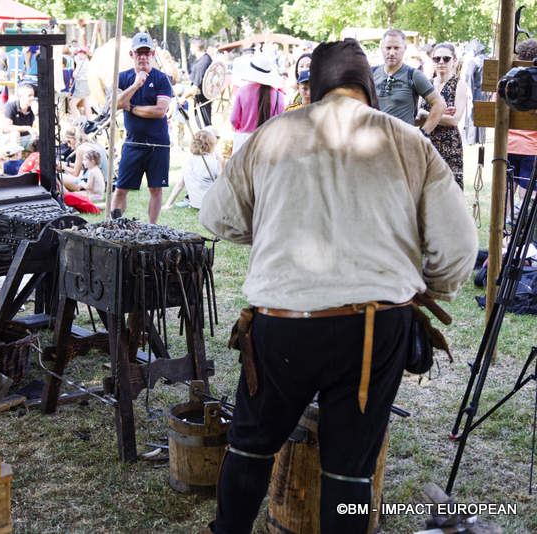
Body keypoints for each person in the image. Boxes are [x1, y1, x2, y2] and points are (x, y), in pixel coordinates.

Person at [199, 38, 477, 534]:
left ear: (313, 88)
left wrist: (269, 232)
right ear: (368, 88)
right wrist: (417, 285)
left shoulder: (271, 134)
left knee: (251, 445)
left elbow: (217, 216)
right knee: (350, 469)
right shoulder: (408, 140)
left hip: (282, 323)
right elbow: (457, 252)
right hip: (373, 328)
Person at [113, 32, 173, 224]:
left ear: (153, 54)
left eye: (146, 53)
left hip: (159, 144)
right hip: (133, 143)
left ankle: (152, 227)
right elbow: (115, 104)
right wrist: (135, 85)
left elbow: (160, 111)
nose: (143, 57)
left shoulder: (162, 79)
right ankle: (114, 225)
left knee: (155, 188)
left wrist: (130, 107)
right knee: (121, 188)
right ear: (132, 55)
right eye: (139, 53)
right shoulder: (123, 78)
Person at [374, 29, 445, 134]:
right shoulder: (371, 73)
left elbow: (439, 104)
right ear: (381, 48)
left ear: (404, 48)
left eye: (396, 48)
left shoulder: (413, 75)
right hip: (375, 144)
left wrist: (423, 134)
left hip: (402, 145)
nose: (392, 52)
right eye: (388, 48)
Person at [417, 43, 467, 189]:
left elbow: (454, 120)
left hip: (449, 145)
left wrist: (428, 113)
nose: (441, 62)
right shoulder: (427, 84)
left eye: (446, 58)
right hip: (427, 142)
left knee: (450, 190)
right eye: (437, 59)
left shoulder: (459, 85)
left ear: (455, 61)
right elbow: (417, 117)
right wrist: (440, 114)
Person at [230, 54, 285, 154]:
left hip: (243, 140)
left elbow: (233, 120)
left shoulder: (241, 92)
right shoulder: (279, 96)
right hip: (268, 142)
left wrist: (241, 127)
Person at [507, 39, 537, 204]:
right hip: (531, 148)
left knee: (507, 191)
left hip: (508, 145)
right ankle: (523, 226)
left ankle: (506, 226)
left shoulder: (510, 81)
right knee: (528, 194)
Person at [163, 127, 221, 210]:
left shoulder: (188, 160)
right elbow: (223, 186)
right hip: (210, 206)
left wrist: (168, 204)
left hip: (195, 204)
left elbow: (180, 185)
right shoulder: (214, 163)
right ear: (211, 144)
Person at [186, 38, 213, 127]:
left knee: (204, 127)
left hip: (202, 100)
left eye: (191, 47)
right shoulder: (206, 58)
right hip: (202, 99)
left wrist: (183, 98)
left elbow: (195, 88)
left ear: (196, 47)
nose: (190, 49)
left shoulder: (202, 63)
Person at [3, 84, 37, 149]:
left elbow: (38, 128)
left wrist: (36, 113)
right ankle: (16, 157)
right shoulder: (11, 106)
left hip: (27, 138)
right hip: (11, 138)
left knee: (40, 137)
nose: (32, 98)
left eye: (33, 95)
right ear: (21, 97)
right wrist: (27, 128)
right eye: (29, 96)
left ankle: (36, 157)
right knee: (15, 134)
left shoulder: (33, 107)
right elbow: (7, 128)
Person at [70, 47, 91, 119]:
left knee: (72, 104)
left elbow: (75, 74)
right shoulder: (87, 62)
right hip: (86, 84)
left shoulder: (82, 63)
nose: (80, 55)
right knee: (86, 104)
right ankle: (89, 120)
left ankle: (77, 120)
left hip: (81, 84)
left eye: (82, 53)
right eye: (79, 53)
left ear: (85, 54)